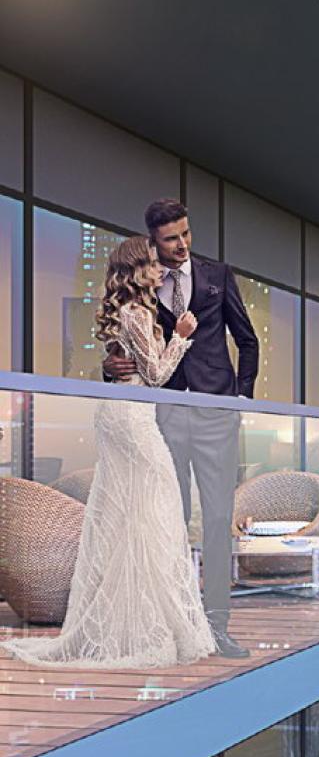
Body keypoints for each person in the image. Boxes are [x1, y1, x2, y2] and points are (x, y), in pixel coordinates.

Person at [2, 237, 218, 667]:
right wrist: (181, 337)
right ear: (139, 268)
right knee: (155, 509)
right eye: (155, 263)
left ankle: (141, 619)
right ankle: (146, 623)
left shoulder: (134, 311)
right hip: (130, 418)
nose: (161, 270)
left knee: (135, 515)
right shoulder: (136, 312)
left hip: (123, 414)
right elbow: (156, 374)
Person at [100, 199, 258, 659]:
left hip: (215, 416)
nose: (182, 245)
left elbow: (247, 341)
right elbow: (125, 346)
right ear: (154, 240)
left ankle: (218, 627)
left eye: (186, 234)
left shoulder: (218, 275)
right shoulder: (143, 286)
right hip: (162, 417)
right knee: (168, 522)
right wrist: (111, 368)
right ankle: (178, 624)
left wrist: (239, 398)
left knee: (215, 521)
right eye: (171, 238)